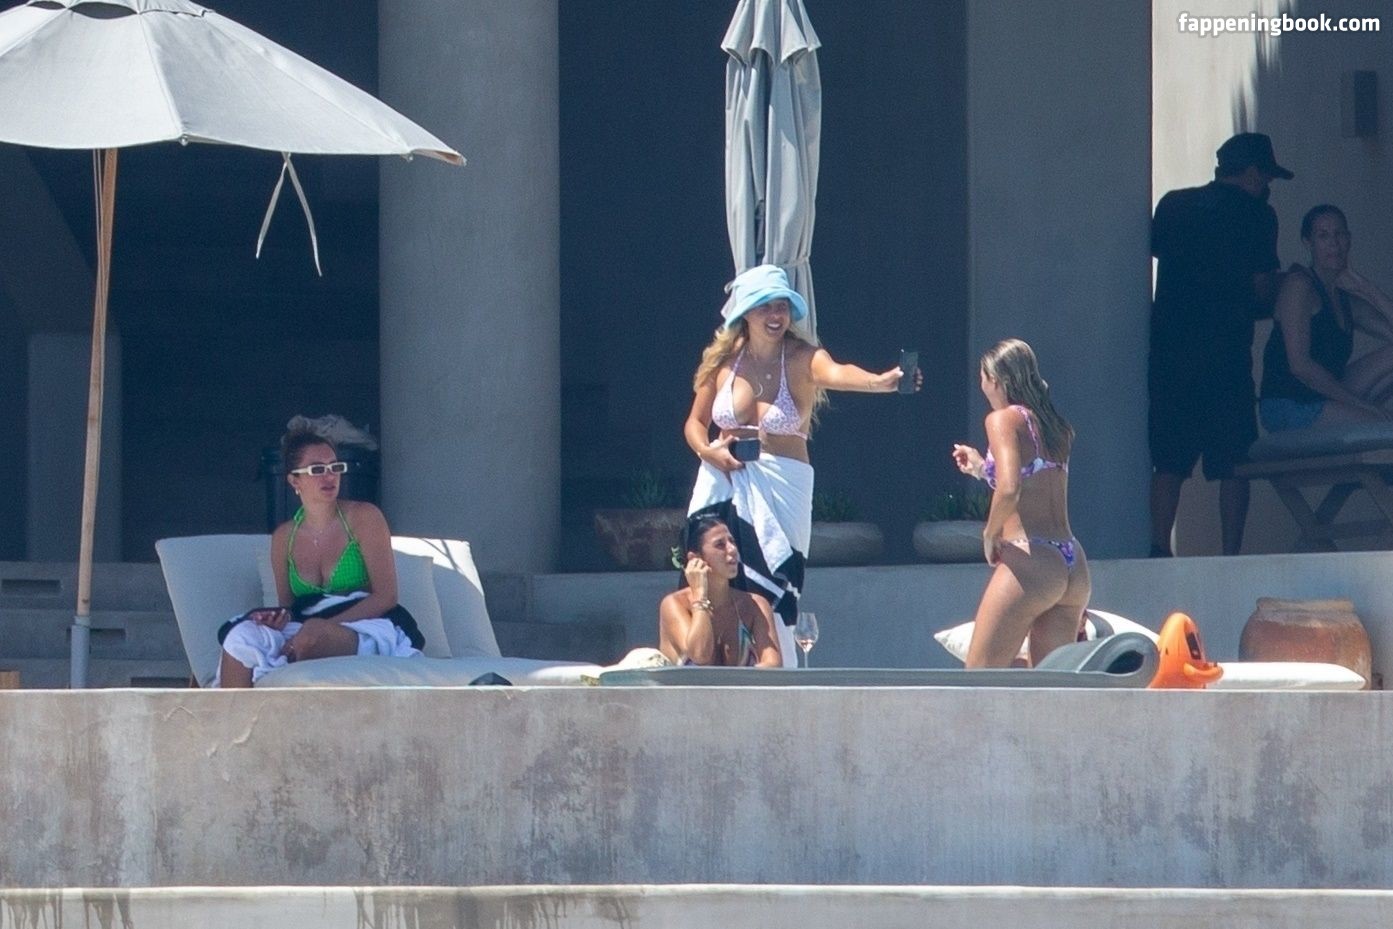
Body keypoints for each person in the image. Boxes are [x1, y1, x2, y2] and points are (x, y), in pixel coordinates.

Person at [683, 263, 919, 664]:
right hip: (723, 482)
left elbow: (838, 372)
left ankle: (775, 668)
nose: (776, 316)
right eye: (765, 307)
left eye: (782, 307)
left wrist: (880, 382)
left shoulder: (802, 358)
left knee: (773, 586)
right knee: (713, 577)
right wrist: (708, 452)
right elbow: (694, 422)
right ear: (746, 312)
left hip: (781, 487)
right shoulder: (724, 363)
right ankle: (711, 660)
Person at [1148, 132, 1292, 556]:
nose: (1268, 186)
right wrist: (1286, 291)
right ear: (1253, 174)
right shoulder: (1258, 215)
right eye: (1267, 177)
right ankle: (1231, 555)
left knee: (1168, 461)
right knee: (1235, 463)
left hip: (1169, 353)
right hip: (1225, 354)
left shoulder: (1173, 206)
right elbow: (1261, 284)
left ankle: (1158, 548)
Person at [216, 426, 423, 687]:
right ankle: (232, 713)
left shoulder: (364, 517)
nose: (329, 476)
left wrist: (325, 626)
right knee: (240, 637)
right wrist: (278, 619)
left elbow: (386, 597)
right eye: (317, 469)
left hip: (365, 624)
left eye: (335, 467)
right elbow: (289, 607)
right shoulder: (284, 537)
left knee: (311, 638)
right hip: (307, 624)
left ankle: (280, 674)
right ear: (294, 481)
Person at [952, 339, 1089, 668]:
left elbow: (1010, 489)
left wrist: (989, 534)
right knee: (1049, 689)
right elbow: (1033, 478)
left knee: (978, 680)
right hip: (1071, 563)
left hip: (1032, 558)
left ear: (995, 380)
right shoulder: (1054, 426)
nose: (981, 384)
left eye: (982, 376)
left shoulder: (1001, 420)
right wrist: (982, 469)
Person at [1260, 204, 1393, 431]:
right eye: (1323, 236)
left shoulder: (1345, 298)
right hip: (1290, 403)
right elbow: (1300, 367)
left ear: (1348, 240)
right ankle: (1370, 419)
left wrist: (1367, 288)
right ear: (1308, 243)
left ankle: (1368, 419)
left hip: (1326, 395)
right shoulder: (1299, 285)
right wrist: (1363, 406)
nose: (1334, 243)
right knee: (1384, 426)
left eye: (1339, 234)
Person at [658, 515, 782, 667]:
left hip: (743, 686)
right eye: (720, 545)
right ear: (695, 558)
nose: (732, 549)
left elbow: (773, 665)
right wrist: (700, 596)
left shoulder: (755, 605)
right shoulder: (675, 604)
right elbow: (700, 655)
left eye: (732, 541)